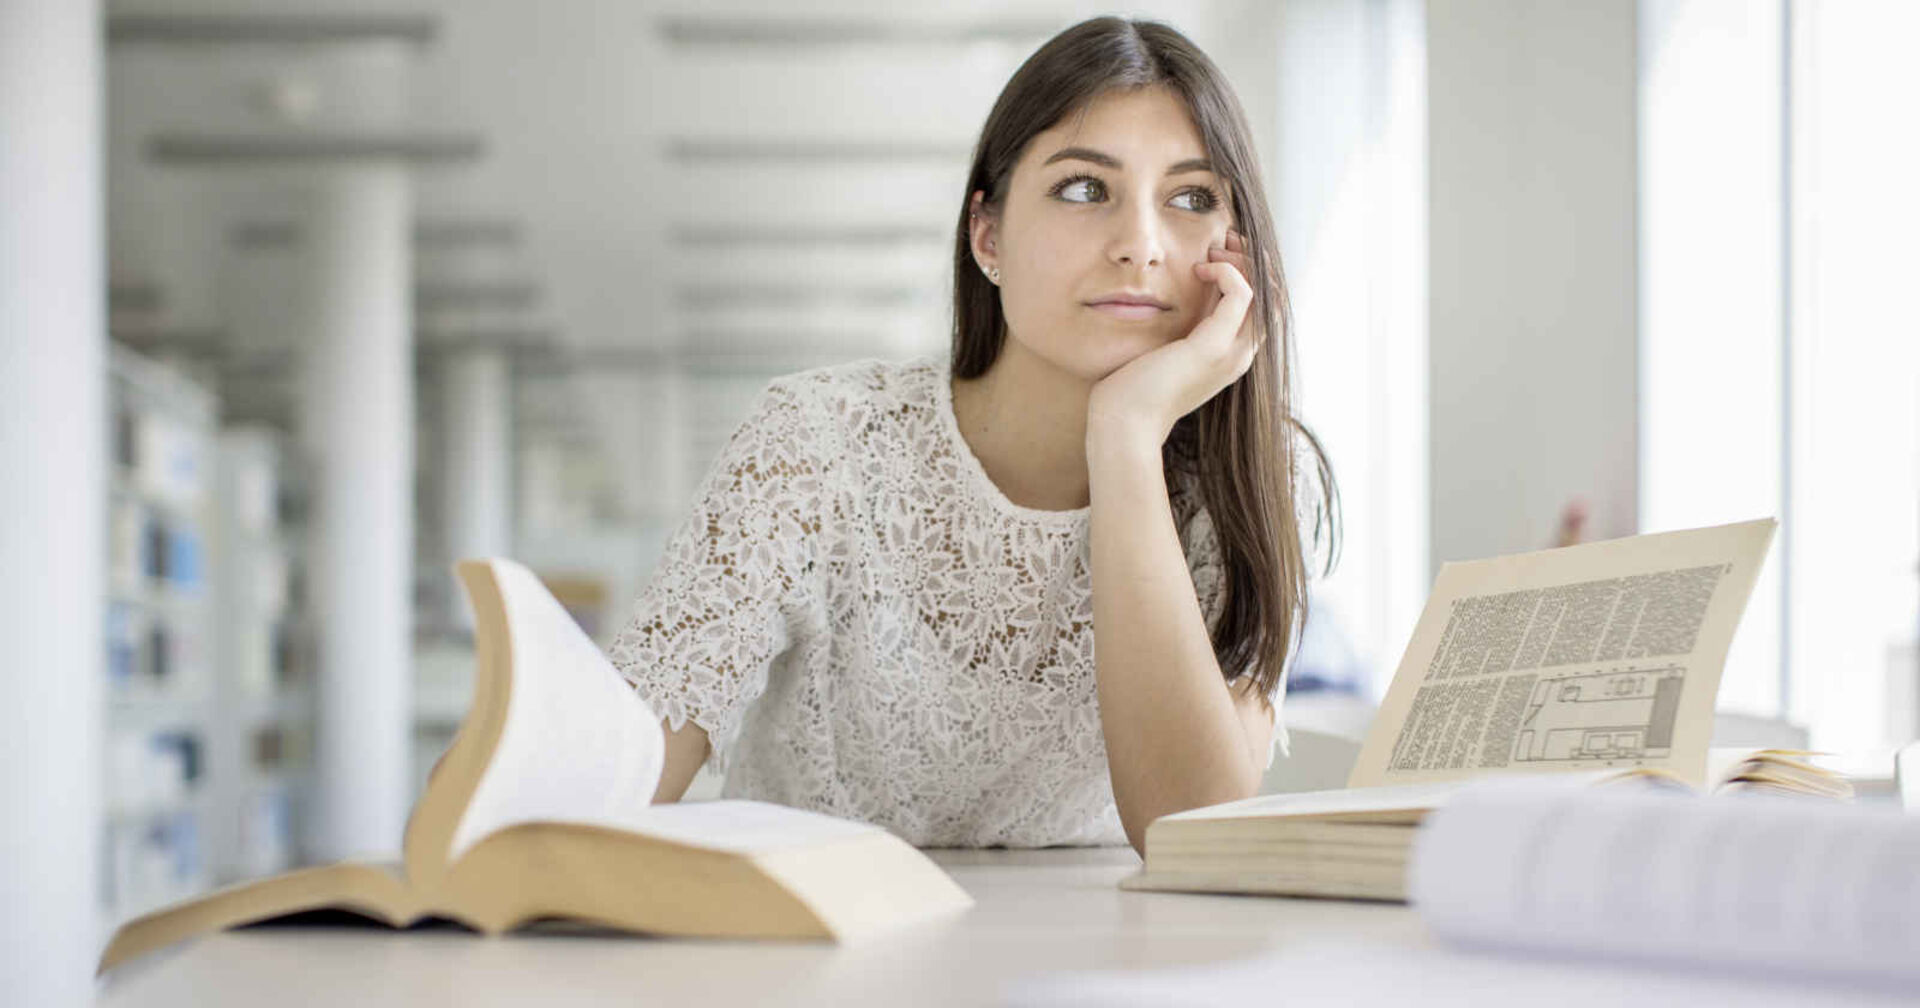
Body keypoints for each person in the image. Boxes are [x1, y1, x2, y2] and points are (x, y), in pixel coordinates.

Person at [607, 16, 1337, 857]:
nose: (1140, 245)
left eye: (1191, 198)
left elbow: (1188, 827)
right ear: (987, 236)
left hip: (1096, 972)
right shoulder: (817, 444)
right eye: (1083, 189)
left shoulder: (1260, 479)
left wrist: (1128, 436)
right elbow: (616, 774)